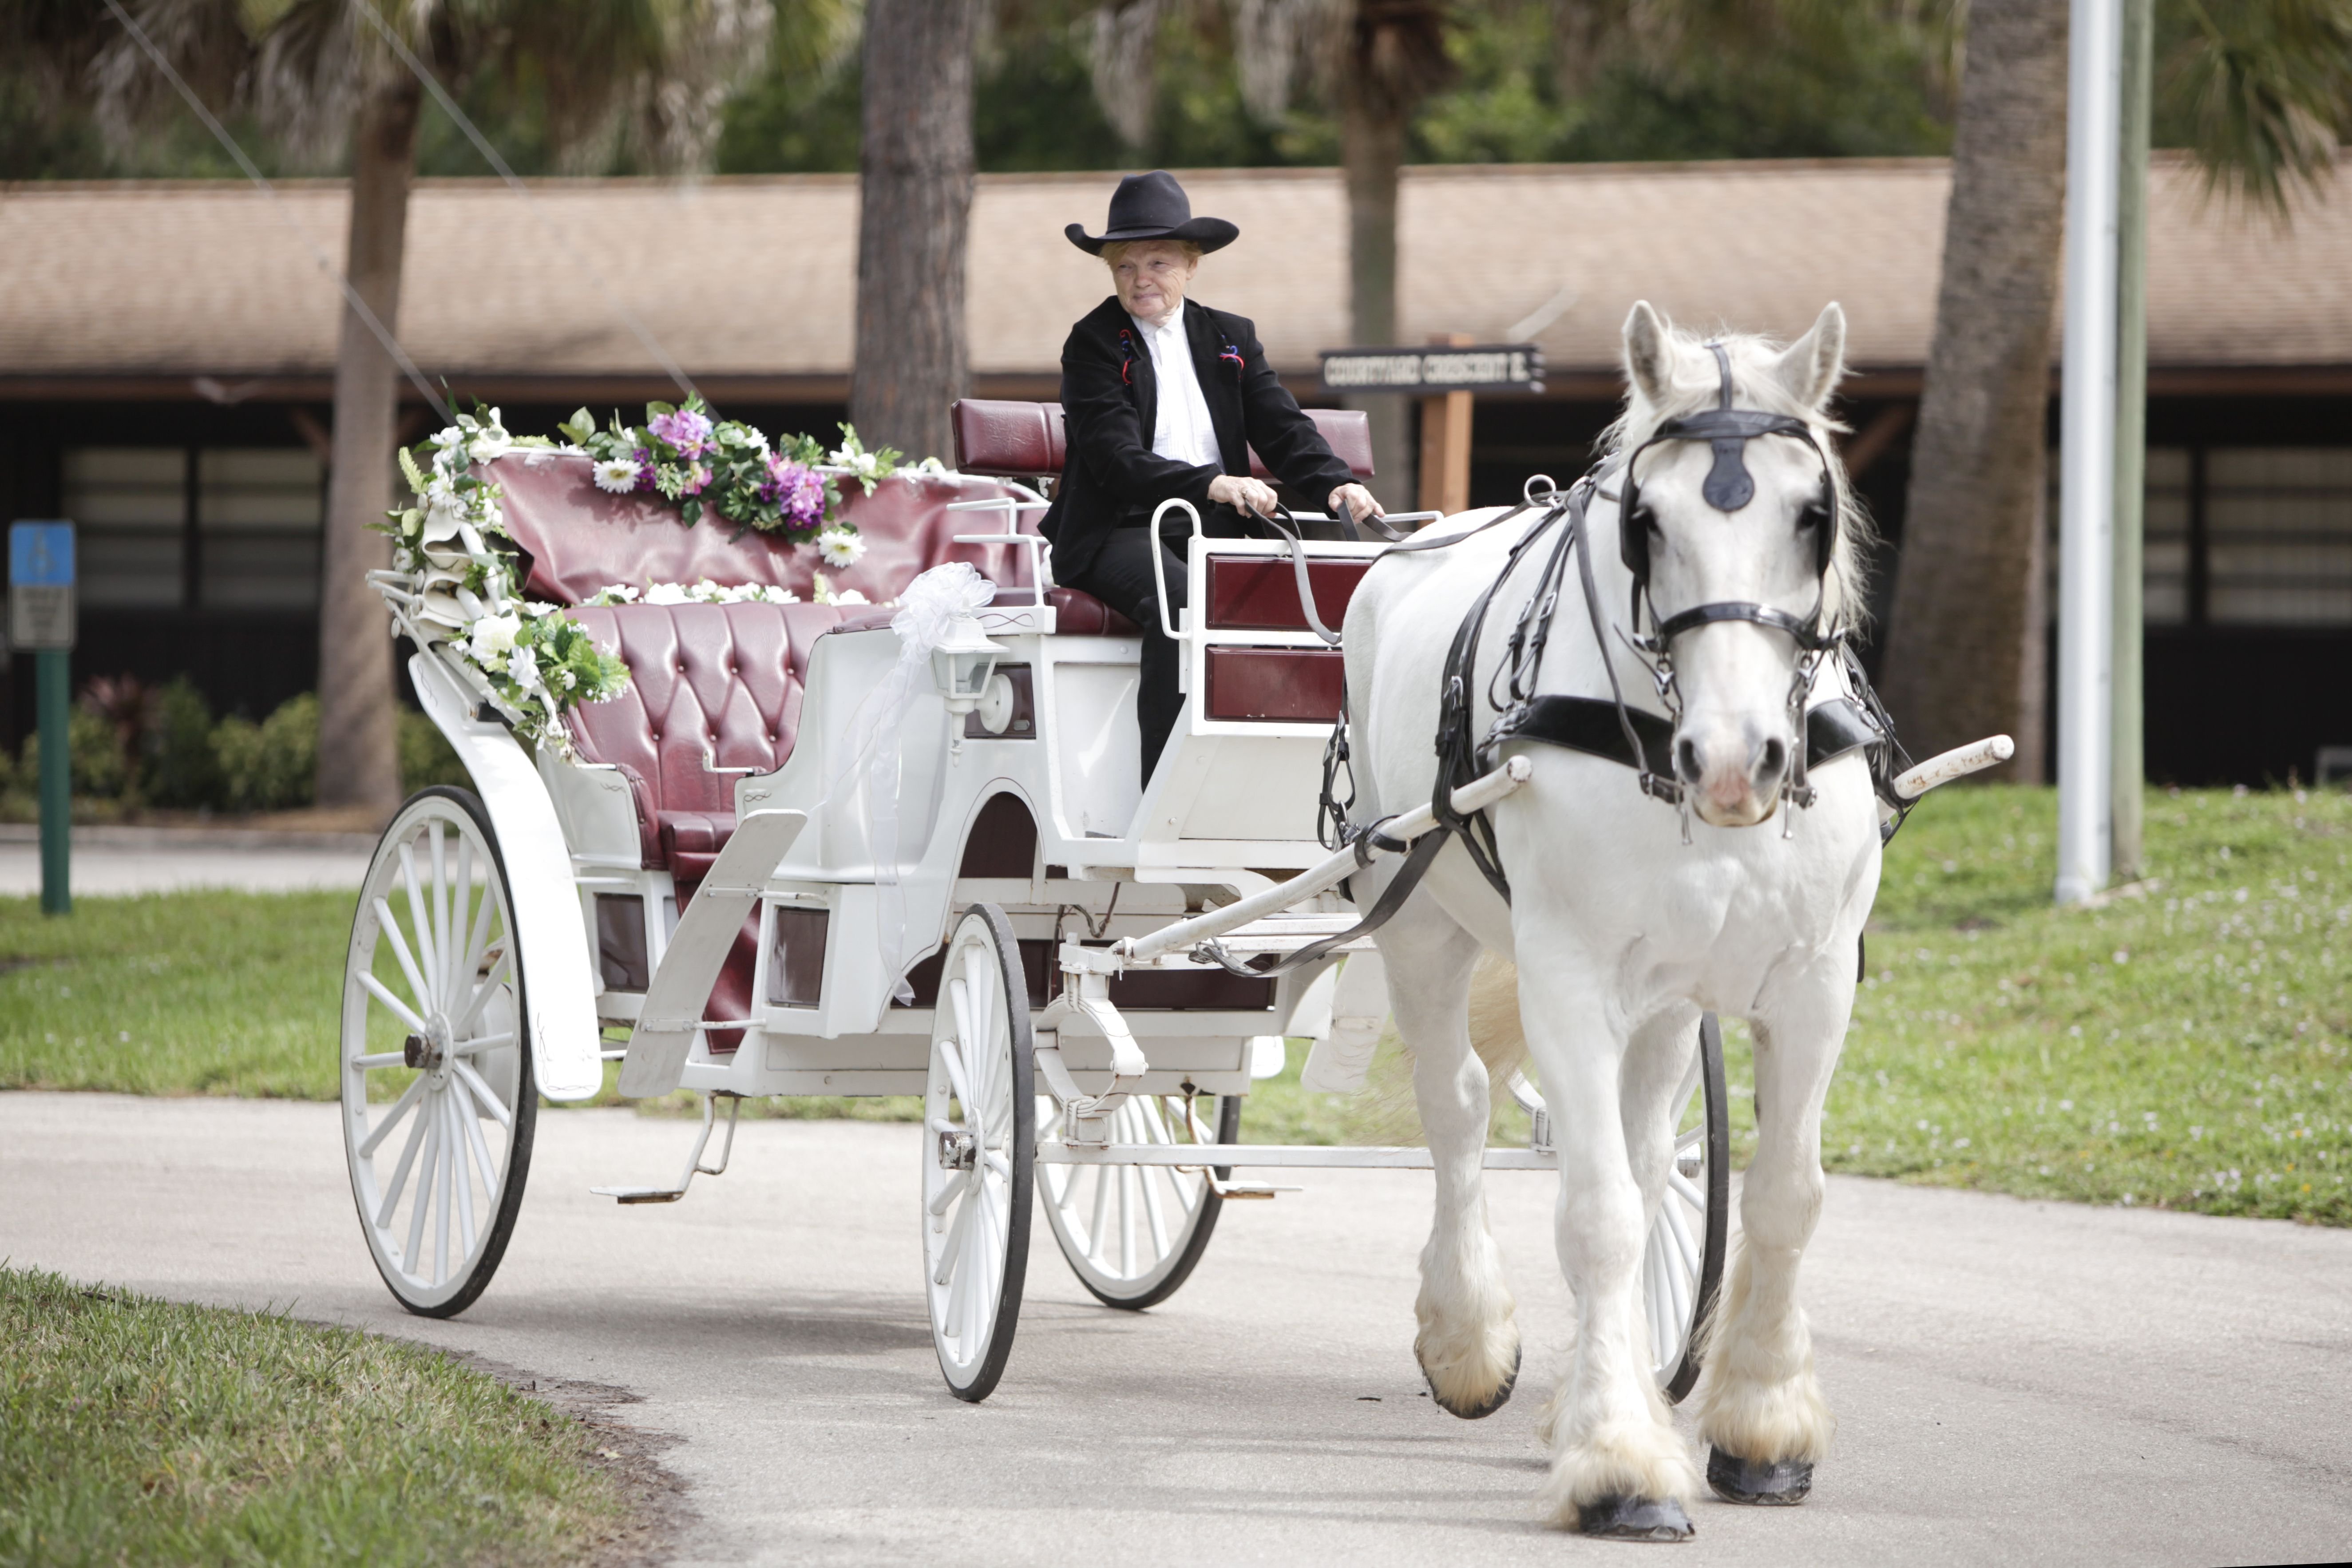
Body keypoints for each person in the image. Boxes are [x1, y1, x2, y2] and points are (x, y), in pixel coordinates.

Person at [1041, 169, 1385, 783]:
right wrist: (1210, 482)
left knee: (1306, 601)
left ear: (1191, 264)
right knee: (1185, 602)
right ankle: (1166, 787)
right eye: (1124, 265)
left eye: (1158, 261)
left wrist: (1334, 481)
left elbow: (1282, 426)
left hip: (1215, 526)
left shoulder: (1230, 335)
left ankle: (1280, 781)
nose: (1140, 277)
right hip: (1117, 531)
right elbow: (1114, 458)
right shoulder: (1092, 343)